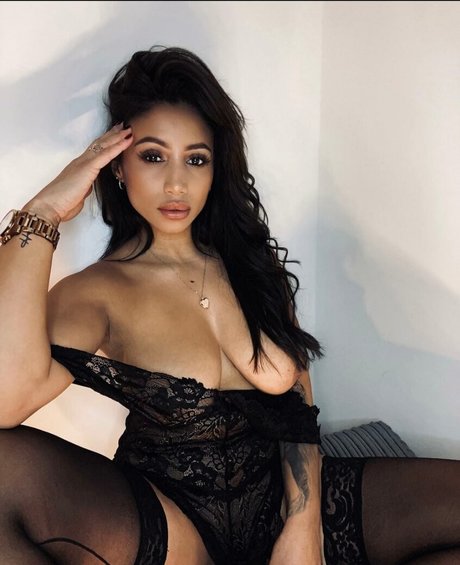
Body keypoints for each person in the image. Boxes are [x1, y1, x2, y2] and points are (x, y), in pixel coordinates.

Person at [0, 45, 458, 565]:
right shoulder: (95, 291)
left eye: (196, 159)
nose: (177, 183)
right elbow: (6, 401)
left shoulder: (251, 266)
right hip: (176, 527)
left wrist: (303, 528)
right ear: (117, 166)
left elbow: (298, 401)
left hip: (284, 503)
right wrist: (44, 211)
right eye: (153, 156)